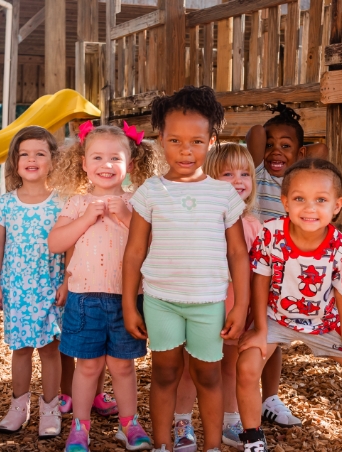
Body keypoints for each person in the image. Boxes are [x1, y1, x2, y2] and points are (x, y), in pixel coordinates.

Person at [122, 85, 251, 452]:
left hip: (208, 303)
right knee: (164, 374)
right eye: (175, 140)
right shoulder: (150, 191)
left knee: (208, 375)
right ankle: (162, 445)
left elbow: (238, 255)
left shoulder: (223, 194)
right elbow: (133, 253)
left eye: (196, 141)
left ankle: (211, 446)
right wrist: (130, 305)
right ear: (160, 139)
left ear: (211, 141)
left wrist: (239, 306)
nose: (185, 150)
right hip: (161, 301)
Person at [236, 158, 342, 452]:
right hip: (275, 318)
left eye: (321, 200)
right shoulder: (270, 234)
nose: (309, 208)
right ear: (285, 202)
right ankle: (252, 438)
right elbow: (260, 280)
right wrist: (259, 328)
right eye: (299, 199)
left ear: (337, 205)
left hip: (323, 323)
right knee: (247, 366)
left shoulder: (341, 248)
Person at [49, 121, 162, 452]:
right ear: (84, 163)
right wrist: (87, 218)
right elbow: (55, 242)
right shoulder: (76, 204)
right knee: (88, 366)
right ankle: (80, 428)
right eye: (97, 158)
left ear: (130, 163)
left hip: (127, 299)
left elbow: (153, 244)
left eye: (115, 158)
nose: (106, 165)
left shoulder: (137, 203)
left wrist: (126, 216)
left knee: (123, 366)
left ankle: (129, 424)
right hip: (84, 299)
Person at [172, 143, 263, 450]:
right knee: (191, 369)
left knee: (231, 366)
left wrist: (249, 310)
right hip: (201, 308)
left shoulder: (253, 226)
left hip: (238, 309)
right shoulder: (198, 221)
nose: (239, 180)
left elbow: (259, 275)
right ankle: (182, 421)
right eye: (228, 173)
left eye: (245, 173)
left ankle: (230, 421)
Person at [0, 126, 68, 437]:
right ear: (15, 162)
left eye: (39, 154)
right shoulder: (6, 202)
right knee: (20, 349)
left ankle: (50, 409)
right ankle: (18, 407)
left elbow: (71, 245)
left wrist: (68, 282)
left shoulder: (62, 201)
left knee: (49, 350)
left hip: (50, 286)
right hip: (16, 288)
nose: (31, 159)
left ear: (52, 161)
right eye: (24, 154)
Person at [245, 102, 320, 427]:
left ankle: (269, 398)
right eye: (271, 145)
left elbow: (321, 148)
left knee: (270, 337)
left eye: (286, 146)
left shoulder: (297, 186)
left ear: (299, 152)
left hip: (279, 275)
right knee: (245, 335)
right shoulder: (256, 174)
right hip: (247, 268)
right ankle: (238, 398)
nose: (276, 151)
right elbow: (256, 133)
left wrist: (299, 153)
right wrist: (277, 133)